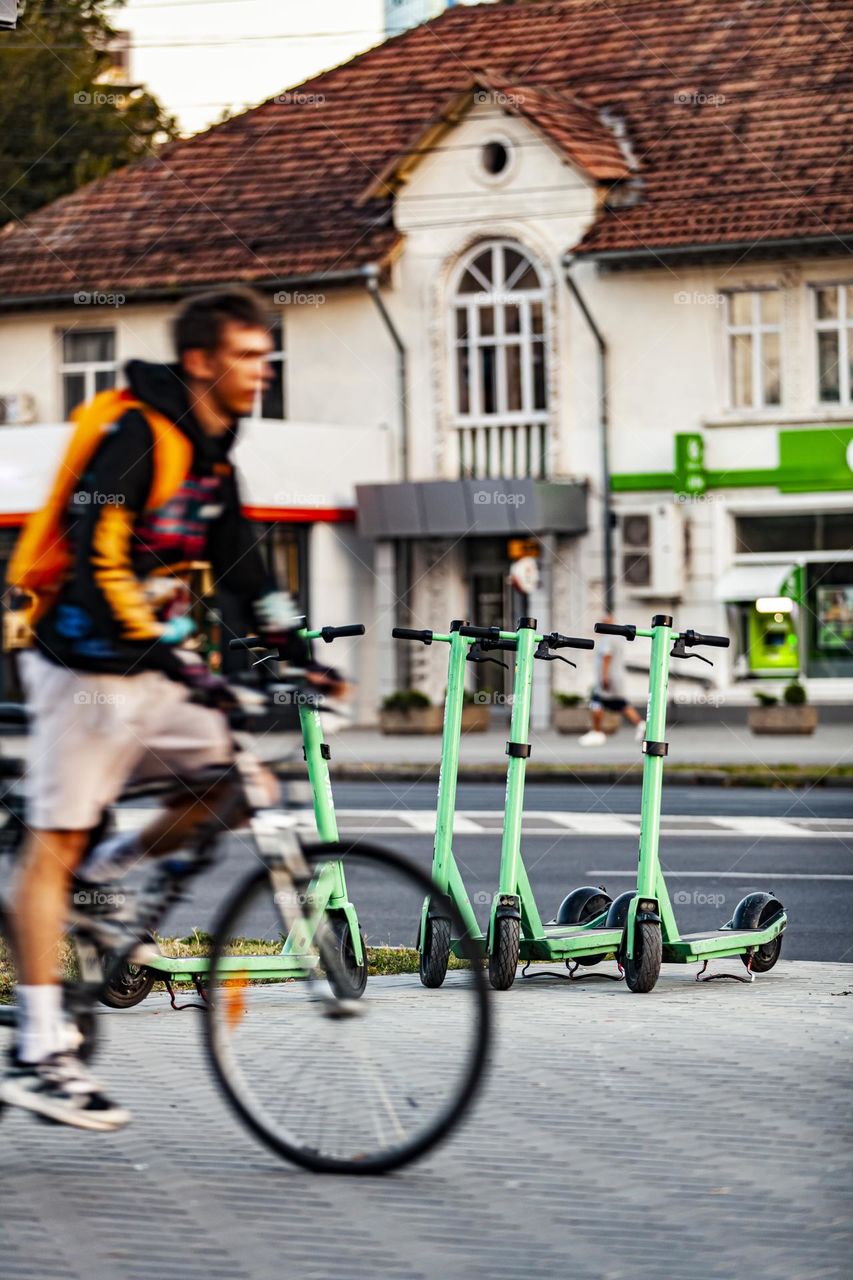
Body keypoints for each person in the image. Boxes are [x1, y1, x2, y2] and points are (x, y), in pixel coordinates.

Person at [0, 287, 344, 1130]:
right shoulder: (137, 434)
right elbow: (94, 557)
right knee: (53, 843)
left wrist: (300, 656)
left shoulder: (213, 454)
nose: (263, 367)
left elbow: (245, 573)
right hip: (80, 661)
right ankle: (41, 1054)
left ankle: (99, 880)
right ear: (201, 361)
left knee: (236, 785)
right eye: (247, 354)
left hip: (153, 665)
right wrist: (173, 659)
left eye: (268, 354)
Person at [578, 614, 646, 747]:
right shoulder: (617, 639)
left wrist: (604, 677)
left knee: (597, 702)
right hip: (616, 678)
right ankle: (640, 724)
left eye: (604, 623)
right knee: (621, 704)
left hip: (609, 678)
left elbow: (606, 657)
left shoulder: (608, 639)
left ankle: (597, 733)